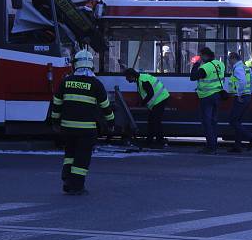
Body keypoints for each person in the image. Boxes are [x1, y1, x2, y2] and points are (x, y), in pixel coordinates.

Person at [50, 49, 114, 195]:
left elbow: (57, 104)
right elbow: (105, 106)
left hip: (67, 128)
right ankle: (77, 186)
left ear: (76, 65)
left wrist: (55, 122)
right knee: (82, 157)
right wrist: (111, 123)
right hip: (86, 130)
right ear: (91, 65)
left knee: (70, 153)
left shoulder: (66, 82)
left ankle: (67, 178)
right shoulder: (95, 84)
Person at [190, 47, 226, 154]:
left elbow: (193, 77)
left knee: (207, 122)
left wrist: (195, 65)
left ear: (205, 56)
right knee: (214, 122)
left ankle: (210, 147)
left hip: (207, 97)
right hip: (217, 96)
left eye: (201, 56)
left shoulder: (205, 67)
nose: (200, 58)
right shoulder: (220, 64)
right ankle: (214, 145)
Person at [125, 68, 169, 148]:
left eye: (127, 77)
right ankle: (151, 141)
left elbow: (150, 94)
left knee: (155, 121)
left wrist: (143, 103)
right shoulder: (140, 79)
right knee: (152, 121)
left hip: (161, 99)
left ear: (132, 76)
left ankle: (159, 142)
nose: (127, 80)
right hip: (160, 99)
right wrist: (141, 102)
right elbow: (146, 93)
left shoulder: (142, 81)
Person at [226, 52, 252, 153]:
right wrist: (249, 92)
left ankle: (251, 137)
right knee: (237, 121)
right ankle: (237, 146)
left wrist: (240, 94)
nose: (229, 62)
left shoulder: (238, 68)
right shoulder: (245, 67)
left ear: (233, 58)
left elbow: (242, 81)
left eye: (229, 59)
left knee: (233, 121)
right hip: (246, 97)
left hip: (240, 98)